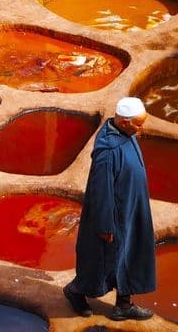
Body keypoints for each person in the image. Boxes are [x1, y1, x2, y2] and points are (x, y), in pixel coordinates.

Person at [63, 97, 156, 321]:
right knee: (102, 261)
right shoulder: (108, 151)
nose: (142, 128)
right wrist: (105, 224)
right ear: (124, 122)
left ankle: (124, 305)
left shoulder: (126, 135)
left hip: (131, 211)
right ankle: (75, 292)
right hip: (114, 217)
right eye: (138, 123)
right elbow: (101, 190)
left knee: (131, 255)